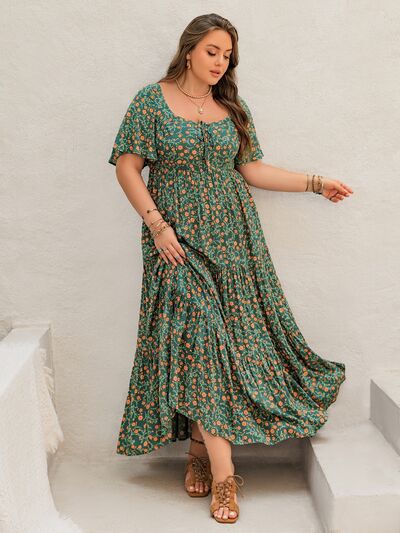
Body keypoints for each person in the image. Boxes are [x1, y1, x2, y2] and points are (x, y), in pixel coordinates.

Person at [108, 13, 351, 525]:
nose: (220, 62)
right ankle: (225, 477)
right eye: (212, 51)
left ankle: (199, 449)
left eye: (227, 55)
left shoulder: (231, 108)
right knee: (200, 340)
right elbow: (128, 167)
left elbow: (252, 169)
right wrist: (157, 225)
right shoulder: (150, 100)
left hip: (234, 242)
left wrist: (314, 182)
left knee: (217, 350)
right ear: (189, 50)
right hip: (175, 243)